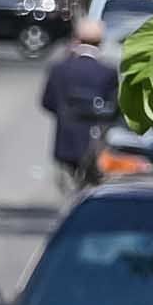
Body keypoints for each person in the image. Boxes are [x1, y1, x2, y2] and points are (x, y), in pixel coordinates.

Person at [40, 30, 118, 191]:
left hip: (65, 141)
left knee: (69, 189)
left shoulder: (59, 69)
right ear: (100, 42)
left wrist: (64, 113)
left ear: (76, 40)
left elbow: (47, 102)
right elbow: (114, 108)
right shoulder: (107, 71)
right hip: (94, 142)